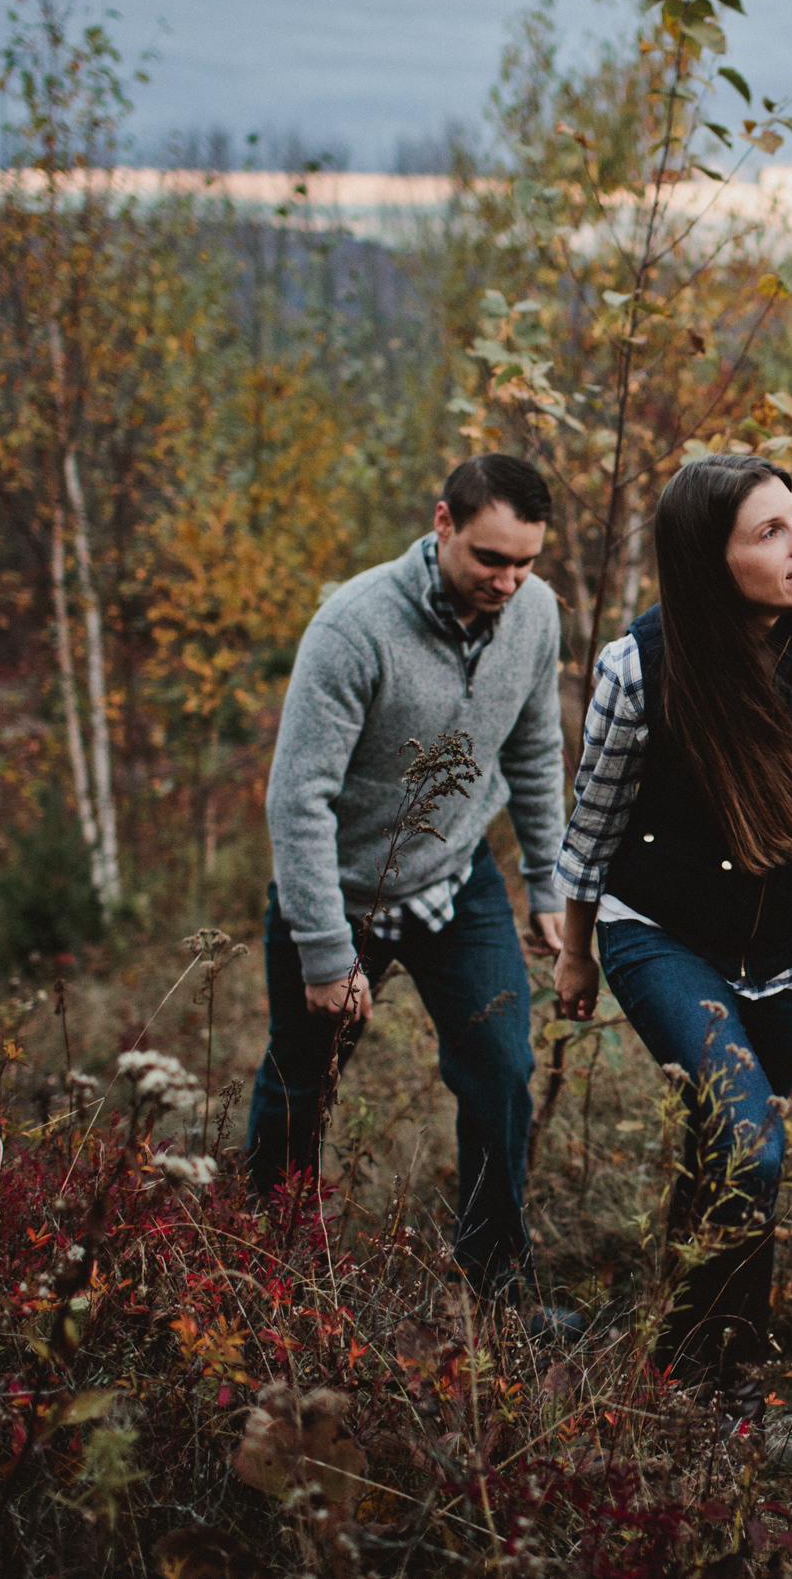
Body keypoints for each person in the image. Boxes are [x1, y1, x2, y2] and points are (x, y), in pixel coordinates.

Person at [552, 454, 792, 1417]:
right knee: (750, 1144)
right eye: (769, 532)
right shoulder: (641, 666)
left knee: (726, 1151)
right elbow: (592, 824)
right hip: (660, 933)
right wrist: (579, 948)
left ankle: (674, 1360)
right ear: (711, 563)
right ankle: (733, 1388)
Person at [249, 453, 567, 1300]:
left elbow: (535, 748)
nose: (509, 580)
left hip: (454, 884)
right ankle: (262, 1262)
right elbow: (298, 796)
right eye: (490, 558)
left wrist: (548, 880)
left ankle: (495, 1275)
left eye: (526, 561)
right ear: (442, 525)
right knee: (301, 1081)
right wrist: (323, 949)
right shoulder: (354, 627)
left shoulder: (537, 615)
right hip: (339, 894)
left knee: (501, 1068)